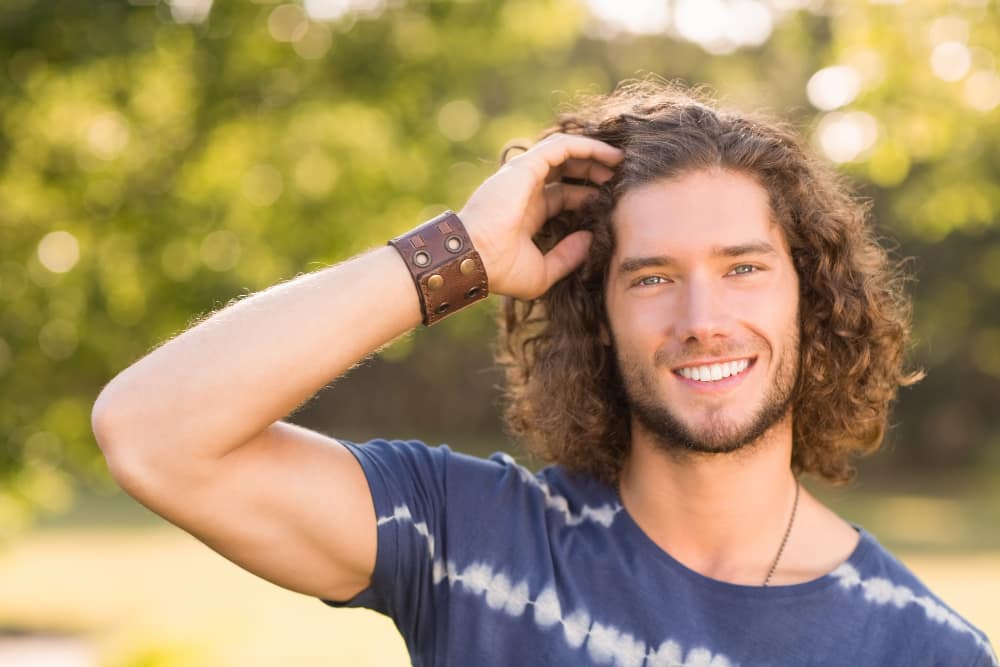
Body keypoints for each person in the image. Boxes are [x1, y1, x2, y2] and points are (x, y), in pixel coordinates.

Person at [92, 80, 996, 666]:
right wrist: (461, 254)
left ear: (812, 293)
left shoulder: (926, 650)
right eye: (651, 277)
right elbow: (152, 434)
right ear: (595, 313)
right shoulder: (471, 537)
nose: (701, 318)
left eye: (744, 266)